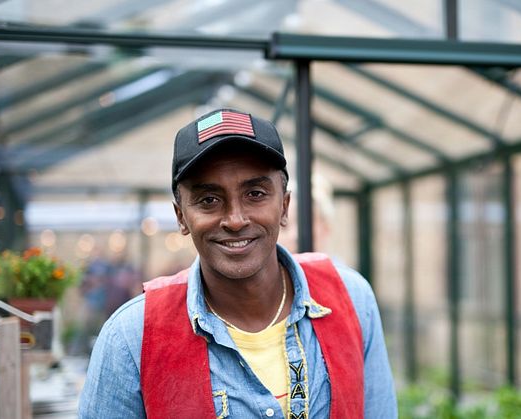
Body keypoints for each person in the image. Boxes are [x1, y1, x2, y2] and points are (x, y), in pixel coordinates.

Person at [78, 108, 397, 418]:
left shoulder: (351, 299)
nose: (235, 219)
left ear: (284, 206)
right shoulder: (132, 338)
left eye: (256, 193)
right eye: (209, 200)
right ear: (181, 217)